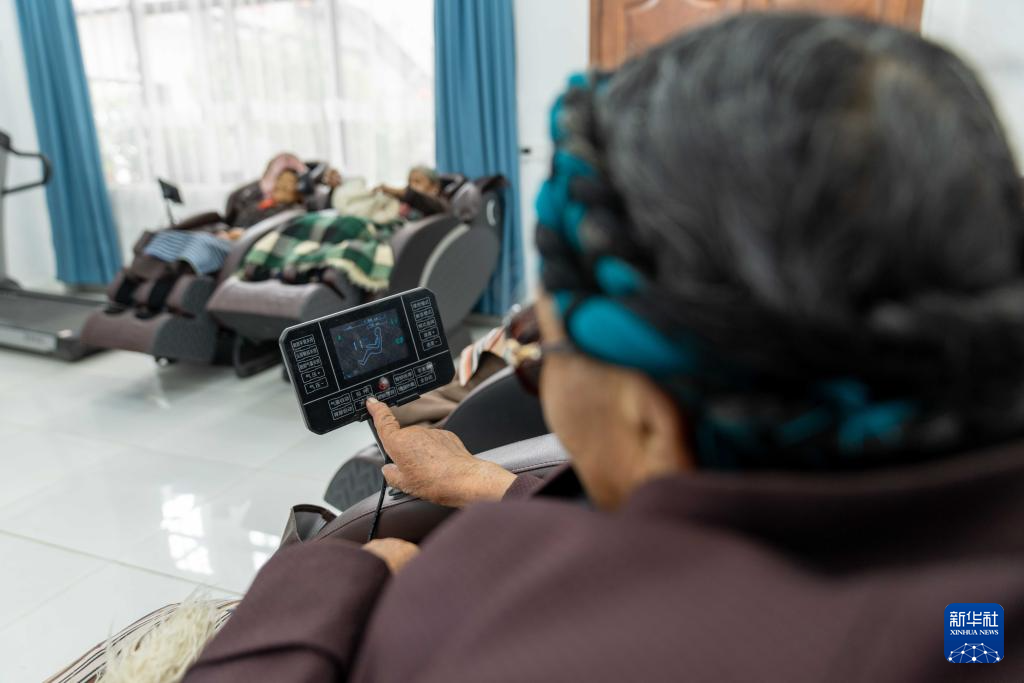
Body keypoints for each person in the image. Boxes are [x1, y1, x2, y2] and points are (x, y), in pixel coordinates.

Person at [184, 13, 1024, 681]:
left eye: (549, 350)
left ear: (650, 419)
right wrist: (483, 482)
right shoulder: (975, 623)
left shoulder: (490, 618)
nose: (538, 362)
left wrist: (330, 581)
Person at [375, 164, 449, 219]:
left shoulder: (440, 204)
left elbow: (415, 196)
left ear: (434, 187)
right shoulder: (407, 202)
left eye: (417, 182)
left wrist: (388, 189)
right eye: (409, 182)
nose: (412, 185)